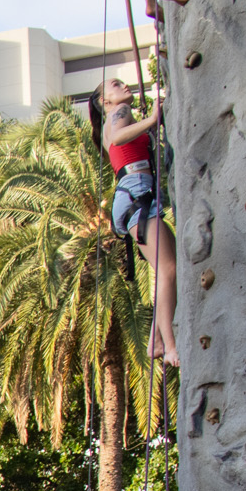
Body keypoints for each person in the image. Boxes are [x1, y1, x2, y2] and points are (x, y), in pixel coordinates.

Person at [91, 78, 180, 366]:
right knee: (168, 269)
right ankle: (169, 345)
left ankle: (155, 338)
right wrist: (152, 119)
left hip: (135, 194)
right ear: (105, 101)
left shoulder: (115, 119)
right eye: (116, 85)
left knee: (171, 266)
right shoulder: (120, 112)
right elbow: (119, 138)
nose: (124, 86)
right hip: (137, 192)